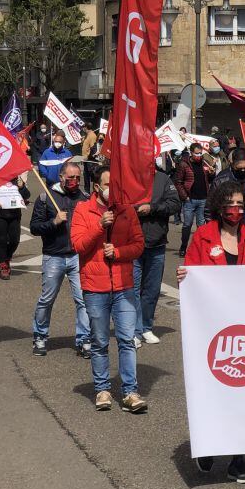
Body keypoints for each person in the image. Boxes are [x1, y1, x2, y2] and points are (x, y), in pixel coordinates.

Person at [177, 181, 245, 483]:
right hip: (212, 325)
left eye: (240, 205)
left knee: (244, 389)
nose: (236, 210)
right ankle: (207, 444)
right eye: (230, 204)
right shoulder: (203, 236)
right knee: (213, 388)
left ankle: (238, 459)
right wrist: (185, 274)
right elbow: (192, 273)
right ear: (219, 207)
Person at [71, 165, 148, 414]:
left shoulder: (127, 210)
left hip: (124, 286)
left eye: (115, 186)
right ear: (96, 187)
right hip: (96, 288)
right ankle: (102, 389)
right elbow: (78, 245)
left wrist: (118, 252)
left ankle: (130, 392)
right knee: (100, 341)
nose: (112, 190)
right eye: (107, 185)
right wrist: (98, 225)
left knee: (127, 340)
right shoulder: (83, 210)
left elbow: (138, 245)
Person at [29, 160, 91, 358]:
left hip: (77, 257)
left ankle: (84, 340)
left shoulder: (85, 198)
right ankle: (40, 336)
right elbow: (34, 227)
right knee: (47, 299)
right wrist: (54, 222)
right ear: (61, 177)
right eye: (70, 177)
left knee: (83, 301)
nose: (74, 181)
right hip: (53, 256)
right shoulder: (46, 197)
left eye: (77, 178)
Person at [132, 156, 181, 346]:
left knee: (151, 290)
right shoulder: (129, 179)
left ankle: (146, 327)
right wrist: (137, 209)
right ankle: (134, 331)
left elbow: (175, 204)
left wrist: (153, 208)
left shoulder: (163, 179)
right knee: (133, 290)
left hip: (157, 243)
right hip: (133, 243)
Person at [174, 142, 215, 256]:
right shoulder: (184, 164)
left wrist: (212, 173)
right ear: (191, 153)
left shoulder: (204, 163)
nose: (199, 155)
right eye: (196, 153)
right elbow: (178, 182)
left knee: (201, 226)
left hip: (203, 199)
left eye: (200, 153)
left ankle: (200, 248)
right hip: (190, 200)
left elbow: (209, 179)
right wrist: (185, 196)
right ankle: (183, 247)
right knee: (187, 224)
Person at [0, 175, 30, 279]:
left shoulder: (16, 180)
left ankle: (7, 258)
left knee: (15, 240)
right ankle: (3, 265)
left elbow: (26, 195)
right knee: (1, 240)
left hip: (14, 214)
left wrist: (22, 187)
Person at [81, 124, 99, 192]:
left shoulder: (92, 135)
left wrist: (88, 156)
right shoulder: (87, 135)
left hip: (89, 160)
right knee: (86, 176)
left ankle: (94, 192)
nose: (83, 129)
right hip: (85, 159)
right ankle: (87, 192)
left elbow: (93, 148)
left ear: (86, 127)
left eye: (83, 128)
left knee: (92, 176)